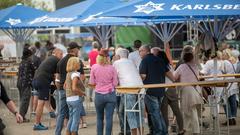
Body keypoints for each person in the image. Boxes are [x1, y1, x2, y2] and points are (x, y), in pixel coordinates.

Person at [139, 45, 175, 135]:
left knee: (155, 113)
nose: (139, 53)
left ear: (146, 51)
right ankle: (164, 131)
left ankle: (159, 132)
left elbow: (143, 76)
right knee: (157, 112)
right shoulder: (160, 60)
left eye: (141, 51)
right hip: (161, 91)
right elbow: (169, 74)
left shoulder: (145, 60)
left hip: (150, 91)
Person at [55, 42, 85, 135]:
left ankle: (57, 133)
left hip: (64, 91)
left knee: (62, 114)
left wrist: (60, 89)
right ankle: (73, 133)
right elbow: (82, 77)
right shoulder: (76, 61)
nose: (79, 51)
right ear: (74, 49)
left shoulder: (60, 61)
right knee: (75, 117)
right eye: (78, 49)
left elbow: (57, 78)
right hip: (74, 93)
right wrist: (81, 91)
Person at [113, 48, 144, 135]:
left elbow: (113, 77)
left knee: (130, 113)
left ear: (118, 56)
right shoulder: (131, 62)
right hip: (140, 89)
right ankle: (140, 133)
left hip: (129, 89)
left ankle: (132, 133)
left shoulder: (116, 63)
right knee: (139, 114)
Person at [174, 47, 203, 135]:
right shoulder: (195, 66)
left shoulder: (182, 66)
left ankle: (196, 131)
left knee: (190, 110)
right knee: (188, 110)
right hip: (196, 89)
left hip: (187, 90)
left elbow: (174, 77)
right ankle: (184, 129)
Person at [32, 48, 63, 130]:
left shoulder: (49, 59)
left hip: (36, 80)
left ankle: (50, 111)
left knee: (44, 98)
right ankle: (36, 124)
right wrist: (59, 86)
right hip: (43, 81)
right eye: (61, 54)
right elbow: (57, 76)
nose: (62, 56)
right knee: (41, 103)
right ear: (56, 53)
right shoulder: (57, 60)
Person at [89, 49, 118, 135]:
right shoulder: (112, 68)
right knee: (109, 118)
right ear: (108, 58)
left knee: (99, 118)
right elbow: (115, 83)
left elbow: (91, 82)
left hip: (99, 95)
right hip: (110, 94)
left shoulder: (94, 67)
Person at [65, 57, 86, 135]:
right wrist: (82, 93)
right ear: (75, 64)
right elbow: (74, 88)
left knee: (71, 118)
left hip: (69, 98)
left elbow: (65, 86)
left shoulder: (68, 74)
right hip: (75, 98)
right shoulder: (75, 74)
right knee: (76, 119)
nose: (80, 64)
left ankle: (67, 132)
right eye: (78, 62)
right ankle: (73, 133)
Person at [17, 48, 35, 122]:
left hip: (19, 83)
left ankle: (20, 116)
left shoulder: (22, 62)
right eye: (31, 55)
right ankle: (21, 117)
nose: (31, 57)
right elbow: (34, 71)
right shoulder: (29, 62)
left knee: (22, 100)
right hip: (26, 83)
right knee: (25, 101)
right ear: (29, 55)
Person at [221, 49, 238, 126]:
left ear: (226, 55)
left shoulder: (225, 62)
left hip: (227, 83)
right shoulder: (233, 60)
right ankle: (233, 118)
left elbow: (223, 71)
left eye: (223, 54)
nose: (222, 55)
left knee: (225, 101)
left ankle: (229, 118)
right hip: (233, 82)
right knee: (233, 101)